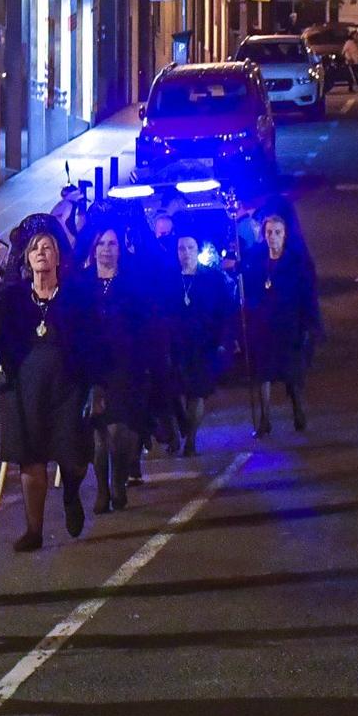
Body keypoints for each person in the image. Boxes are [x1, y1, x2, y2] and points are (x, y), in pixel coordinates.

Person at [0, 218, 89, 550]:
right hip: (26, 386)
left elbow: (93, 343)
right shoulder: (15, 298)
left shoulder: (75, 297)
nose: (41, 253)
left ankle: (72, 492)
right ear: (26, 258)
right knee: (30, 458)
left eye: (48, 248)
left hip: (68, 385)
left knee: (73, 456)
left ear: (59, 257)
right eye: (35, 248)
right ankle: (34, 529)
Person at [71, 221, 153, 512]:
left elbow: (145, 323)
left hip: (125, 365)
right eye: (102, 244)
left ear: (121, 248)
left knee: (119, 431)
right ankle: (102, 491)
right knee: (98, 434)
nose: (106, 250)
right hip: (91, 366)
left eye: (112, 244)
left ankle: (118, 482)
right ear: (93, 249)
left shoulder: (131, 283)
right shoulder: (81, 284)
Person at [242, 208, 321, 435]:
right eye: (269, 232)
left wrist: (308, 323)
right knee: (263, 373)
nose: (272, 237)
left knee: (291, 371)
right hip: (264, 324)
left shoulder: (296, 261)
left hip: (289, 324)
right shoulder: (258, 259)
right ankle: (265, 418)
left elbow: (307, 293)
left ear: (285, 235)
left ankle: (298, 410)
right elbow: (249, 283)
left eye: (277, 232)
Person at [167, 228, 236, 456]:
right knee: (175, 392)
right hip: (176, 346)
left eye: (190, 248)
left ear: (197, 250)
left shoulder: (212, 279)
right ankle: (181, 427)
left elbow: (225, 312)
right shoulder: (169, 279)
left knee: (196, 393)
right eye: (181, 248)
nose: (185, 253)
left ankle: (191, 440)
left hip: (203, 345)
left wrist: (224, 340)